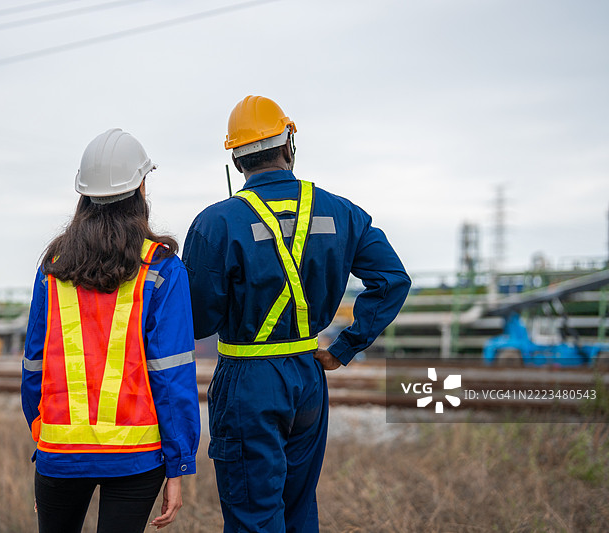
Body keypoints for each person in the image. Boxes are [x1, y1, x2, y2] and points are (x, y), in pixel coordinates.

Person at [182, 96, 411, 532]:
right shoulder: (341, 212)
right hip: (308, 378)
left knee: (254, 517)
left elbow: (199, 322)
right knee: (299, 512)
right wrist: (344, 348)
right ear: (289, 144)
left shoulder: (217, 222)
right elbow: (392, 280)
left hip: (248, 382)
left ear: (236, 158)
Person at [21, 128, 201, 533]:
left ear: (83, 194)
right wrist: (178, 464)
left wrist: (44, 437)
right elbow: (171, 376)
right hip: (136, 456)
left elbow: (34, 366)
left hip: (60, 452)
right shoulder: (161, 268)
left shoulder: (54, 266)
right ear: (141, 187)